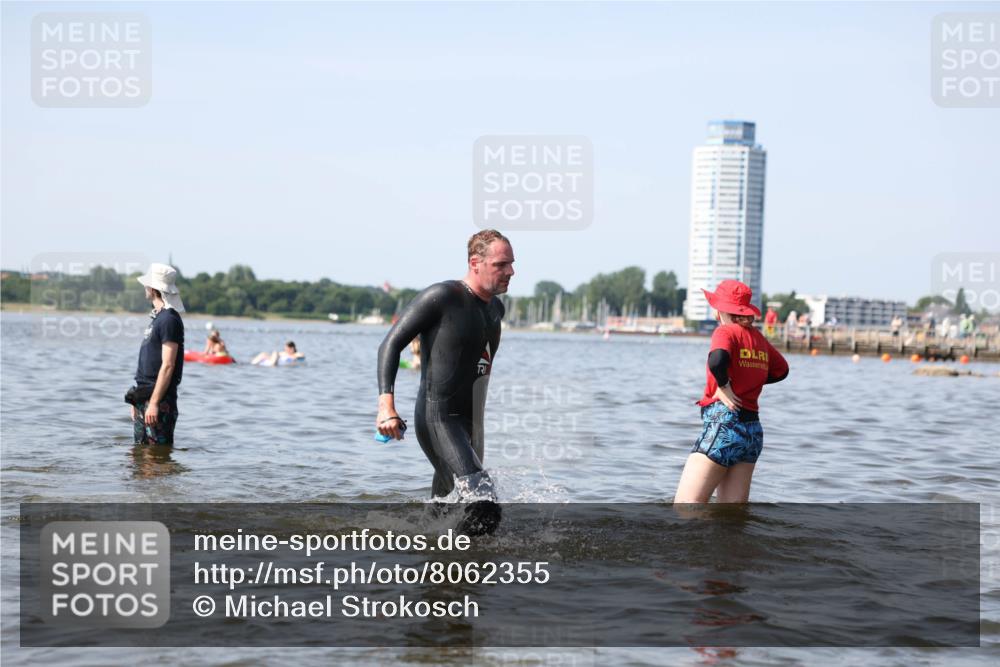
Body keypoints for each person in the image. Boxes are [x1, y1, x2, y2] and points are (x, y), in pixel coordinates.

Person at [375, 229, 514, 534]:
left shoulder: (495, 310)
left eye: (511, 264)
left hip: (472, 426)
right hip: (438, 419)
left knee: (447, 509)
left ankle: (425, 551)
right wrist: (386, 407)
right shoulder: (442, 297)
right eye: (501, 265)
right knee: (484, 504)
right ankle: (467, 575)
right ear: (475, 262)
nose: (511, 272)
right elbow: (390, 345)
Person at [674, 280, 789, 504]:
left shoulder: (725, 332)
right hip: (752, 433)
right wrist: (750, 379)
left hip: (724, 426)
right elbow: (782, 370)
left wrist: (724, 384)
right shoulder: (758, 339)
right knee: (731, 517)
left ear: (720, 310)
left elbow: (717, 360)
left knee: (685, 508)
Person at [129, 263, 185, 446]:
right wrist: (136, 401)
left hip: (159, 400)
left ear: (152, 289)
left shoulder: (169, 319)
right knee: (139, 459)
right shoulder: (158, 318)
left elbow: (168, 365)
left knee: (156, 462)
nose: (145, 287)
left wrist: (153, 403)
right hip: (144, 397)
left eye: (147, 284)